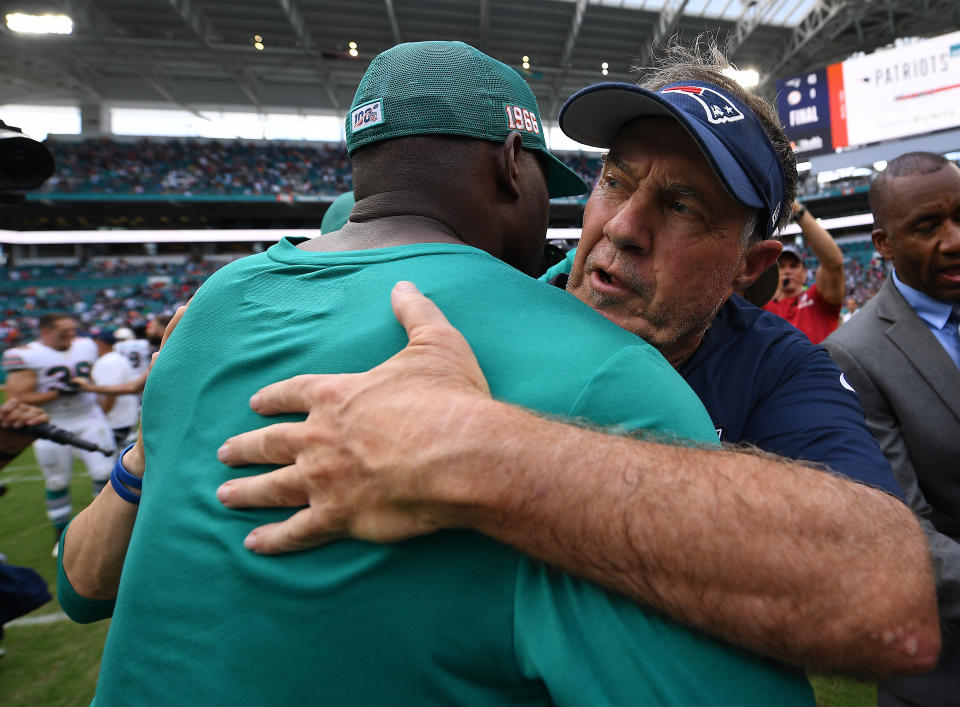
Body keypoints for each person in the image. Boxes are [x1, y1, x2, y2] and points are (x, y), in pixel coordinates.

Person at [59, 41, 815, 705]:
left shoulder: (215, 307)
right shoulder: (611, 376)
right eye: (604, 182)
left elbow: (81, 587)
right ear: (510, 168)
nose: (606, 224)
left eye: (681, 204)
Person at [209, 45, 939, 677]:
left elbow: (887, 598)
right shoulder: (468, 307)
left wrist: (472, 453)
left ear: (752, 266)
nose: (621, 227)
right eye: (616, 180)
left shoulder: (783, 370)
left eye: (683, 205)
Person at [823, 151, 960, 707]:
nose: (954, 239)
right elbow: (903, 534)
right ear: (882, 244)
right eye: (927, 227)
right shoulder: (853, 354)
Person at [2, 314, 115, 554]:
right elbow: (17, 397)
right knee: (57, 481)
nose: (72, 336)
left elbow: (92, 378)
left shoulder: (85, 346)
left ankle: (101, 529)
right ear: (46, 332)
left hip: (89, 418)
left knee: (105, 473)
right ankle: (60, 533)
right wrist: (59, 393)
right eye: (64, 332)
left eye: (73, 330)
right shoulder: (26, 355)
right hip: (51, 423)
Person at [763, 202, 845, 343]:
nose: (787, 271)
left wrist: (797, 211)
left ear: (804, 273)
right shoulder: (765, 306)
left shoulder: (818, 298)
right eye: (781, 267)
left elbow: (834, 264)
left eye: (794, 266)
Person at [90, 330, 140, 449]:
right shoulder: (115, 358)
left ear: (100, 343)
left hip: (115, 419)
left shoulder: (108, 362)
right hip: (122, 417)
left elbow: (110, 394)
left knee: (110, 460)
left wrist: (100, 417)